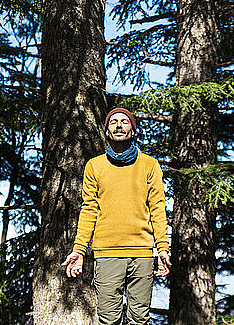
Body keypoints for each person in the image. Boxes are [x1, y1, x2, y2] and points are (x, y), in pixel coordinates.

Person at [61, 107, 171, 325]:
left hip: (142, 254)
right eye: (113, 122)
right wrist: (79, 250)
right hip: (107, 254)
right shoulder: (94, 166)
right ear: (107, 131)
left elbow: (157, 208)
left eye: (124, 121)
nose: (119, 125)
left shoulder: (149, 165)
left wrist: (163, 248)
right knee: (108, 319)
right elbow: (89, 209)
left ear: (133, 130)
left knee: (139, 319)